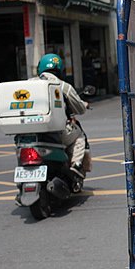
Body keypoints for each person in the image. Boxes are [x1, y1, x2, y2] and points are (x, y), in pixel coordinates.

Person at [36, 53, 88, 183]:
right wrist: (84, 104)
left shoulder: (30, 84)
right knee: (79, 136)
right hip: (58, 133)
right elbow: (80, 109)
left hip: (32, 133)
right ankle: (76, 165)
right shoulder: (64, 86)